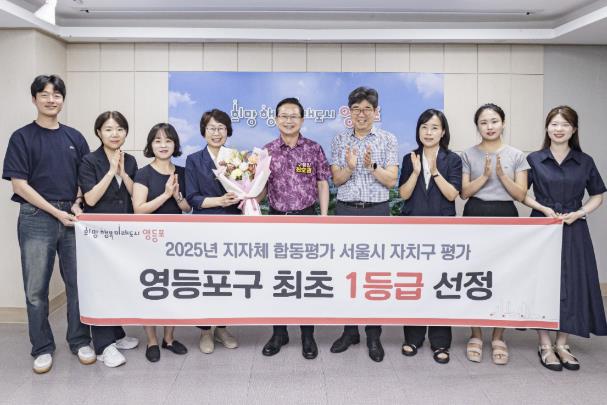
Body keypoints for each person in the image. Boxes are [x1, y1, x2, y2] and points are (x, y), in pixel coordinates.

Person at [2, 75, 95, 373]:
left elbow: (84, 178)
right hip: (36, 217)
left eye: (56, 95)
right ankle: (42, 347)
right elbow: (19, 185)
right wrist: (56, 213)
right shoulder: (21, 137)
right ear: (34, 99)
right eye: (44, 94)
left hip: (72, 216)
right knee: (36, 289)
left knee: (77, 284)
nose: (51, 100)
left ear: (63, 100)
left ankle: (80, 340)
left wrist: (77, 203)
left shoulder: (75, 137)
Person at [524, 106, 606, 372]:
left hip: (574, 226)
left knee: (572, 282)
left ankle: (563, 343)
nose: (558, 129)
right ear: (547, 128)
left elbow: (597, 195)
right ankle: (544, 344)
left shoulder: (585, 161)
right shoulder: (534, 159)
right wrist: (544, 209)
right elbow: (521, 192)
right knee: (542, 282)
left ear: (574, 129)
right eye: (554, 124)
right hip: (542, 226)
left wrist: (579, 213)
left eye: (565, 125)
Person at [329, 86, 399, 362]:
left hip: (377, 212)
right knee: (346, 273)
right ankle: (350, 331)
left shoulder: (388, 139)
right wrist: (349, 166)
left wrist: (372, 167)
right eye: (356, 109)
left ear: (375, 112)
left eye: (367, 109)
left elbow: (391, 181)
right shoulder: (339, 140)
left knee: (373, 275)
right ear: (349, 112)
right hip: (346, 211)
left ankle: (373, 334)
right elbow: (337, 180)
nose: (361, 114)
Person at [260, 97, 331, 360]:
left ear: (302, 119)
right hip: (276, 220)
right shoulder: (267, 151)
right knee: (278, 278)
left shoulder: (313, 149)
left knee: (305, 278)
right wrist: (247, 193)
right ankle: (279, 333)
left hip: (307, 219)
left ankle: (307, 335)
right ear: (276, 119)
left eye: (293, 116)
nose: (288, 120)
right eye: (284, 115)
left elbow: (322, 183)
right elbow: (261, 190)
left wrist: (323, 217)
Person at [460, 103, 529, 365]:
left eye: (494, 121)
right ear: (477, 126)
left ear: (503, 123)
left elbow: (521, 195)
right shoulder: (468, 154)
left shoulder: (517, 155)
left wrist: (501, 175)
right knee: (474, 275)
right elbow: (464, 192)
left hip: (506, 214)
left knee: (504, 276)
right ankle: (476, 334)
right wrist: (485, 176)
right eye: (483, 122)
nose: (489, 126)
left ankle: (499, 336)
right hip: (475, 212)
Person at [398, 109, 461, 365]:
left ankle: (440, 341)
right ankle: (413, 337)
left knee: (440, 283)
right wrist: (415, 172)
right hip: (412, 231)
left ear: (443, 132)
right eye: (424, 127)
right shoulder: (409, 158)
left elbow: (452, 194)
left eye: (434, 127)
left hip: (441, 232)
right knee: (414, 283)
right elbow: (403, 194)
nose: (428, 132)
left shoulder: (452, 159)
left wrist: (434, 171)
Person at [78, 111, 140, 367]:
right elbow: (91, 199)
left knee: (116, 283)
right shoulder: (89, 161)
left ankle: (116, 333)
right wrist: (110, 171)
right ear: (98, 132)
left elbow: (136, 196)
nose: (115, 134)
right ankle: (103, 347)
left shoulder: (131, 160)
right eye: (108, 129)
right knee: (101, 286)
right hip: (99, 235)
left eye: (120, 129)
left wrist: (123, 172)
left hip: (124, 232)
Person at [132, 123, 191, 362]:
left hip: (175, 239)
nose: (163, 145)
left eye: (168, 140)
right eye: (157, 141)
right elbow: (139, 210)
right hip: (149, 239)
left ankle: (169, 338)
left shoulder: (183, 172)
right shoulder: (143, 173)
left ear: (175, 144)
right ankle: (152, 341)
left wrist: (176, 196)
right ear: (151, 145)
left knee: (172, 288)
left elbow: (187, 208)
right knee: (151, 289)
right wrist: (165, 194)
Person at [185, 108, 239, 354]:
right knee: (206, 279)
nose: (216, 133)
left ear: (228, 131)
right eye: (211, 128)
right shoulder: (194, 160)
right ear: (203, 131)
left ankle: (222, 328)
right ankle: (205, 330)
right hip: (205, 227)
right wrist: (219, 201)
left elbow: (245, 190)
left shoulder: (236, 157)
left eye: (221, 128)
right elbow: (192, 198)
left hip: (232, 226)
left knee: (228, 279)